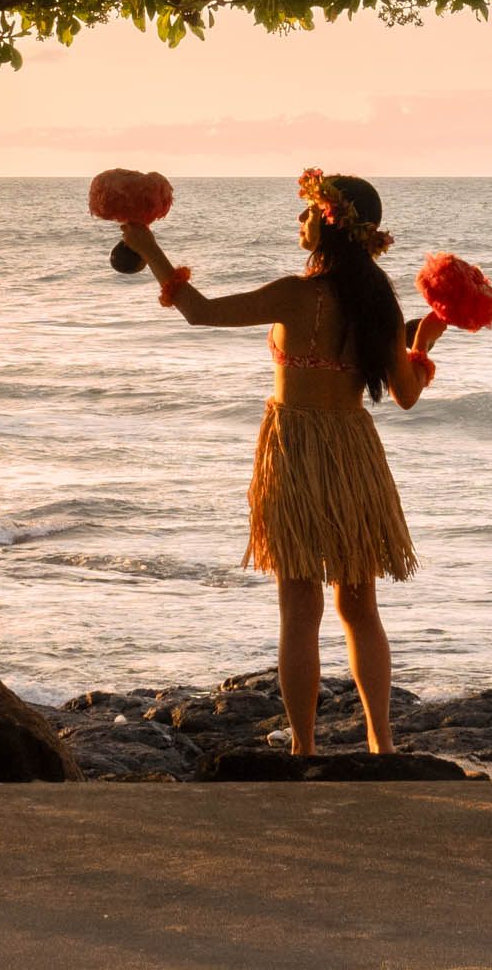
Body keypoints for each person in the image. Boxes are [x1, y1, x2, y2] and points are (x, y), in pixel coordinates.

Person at [134, 169, 442, 761]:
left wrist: (148, 245)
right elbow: (405, 393)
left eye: (308, 212)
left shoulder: (294, 295)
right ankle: (383, 744)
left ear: (330, 224)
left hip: (296, 451)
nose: (299, 220)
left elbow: (197, 311)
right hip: (354, 455)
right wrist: (423, 344)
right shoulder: (377, 301)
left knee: (300, 609)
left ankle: (304, 749)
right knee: (360, 607)